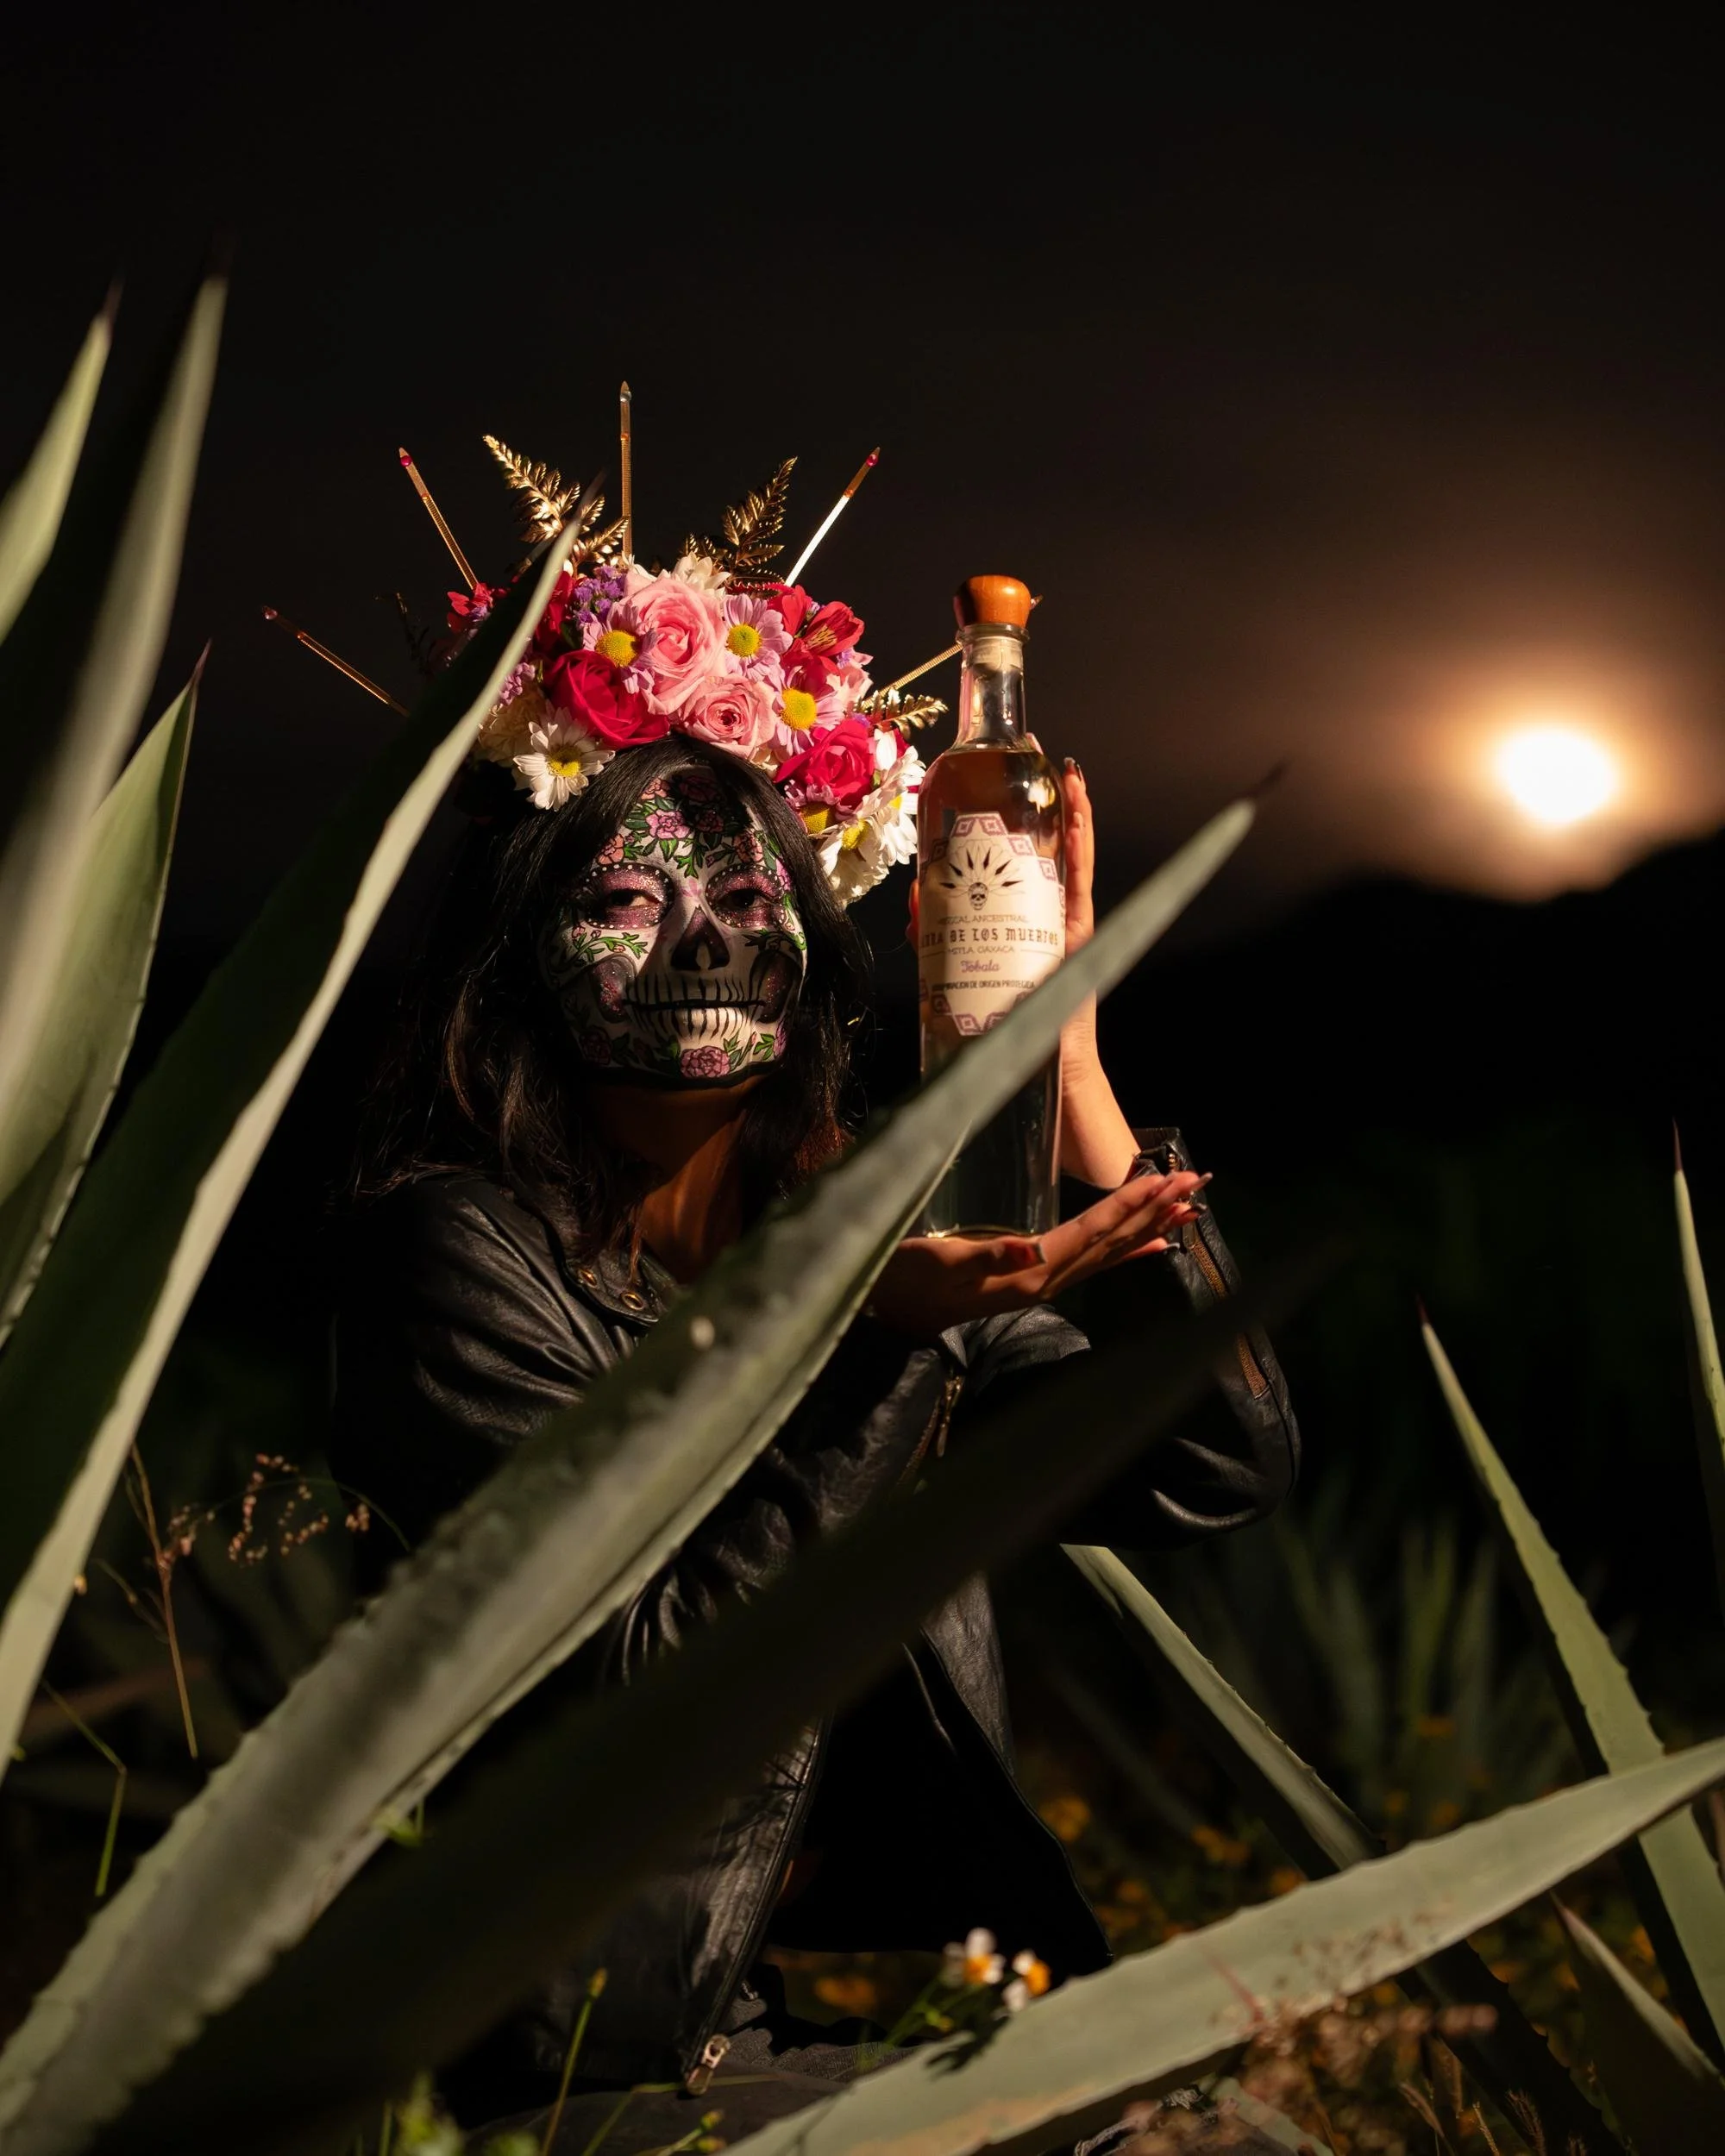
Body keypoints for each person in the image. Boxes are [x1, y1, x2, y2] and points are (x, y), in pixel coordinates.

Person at [329, 479, 1298, 2150]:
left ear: (815, 916)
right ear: (517, 944)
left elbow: (1217, 1464)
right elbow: (639, 1682)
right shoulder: (465, 1255)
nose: (701, 934)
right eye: (626, 897)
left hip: (912, 2004)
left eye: (741, 888)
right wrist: (879, 1347)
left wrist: (1067, 1065)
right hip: (587, 2052)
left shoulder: (878, 1227)